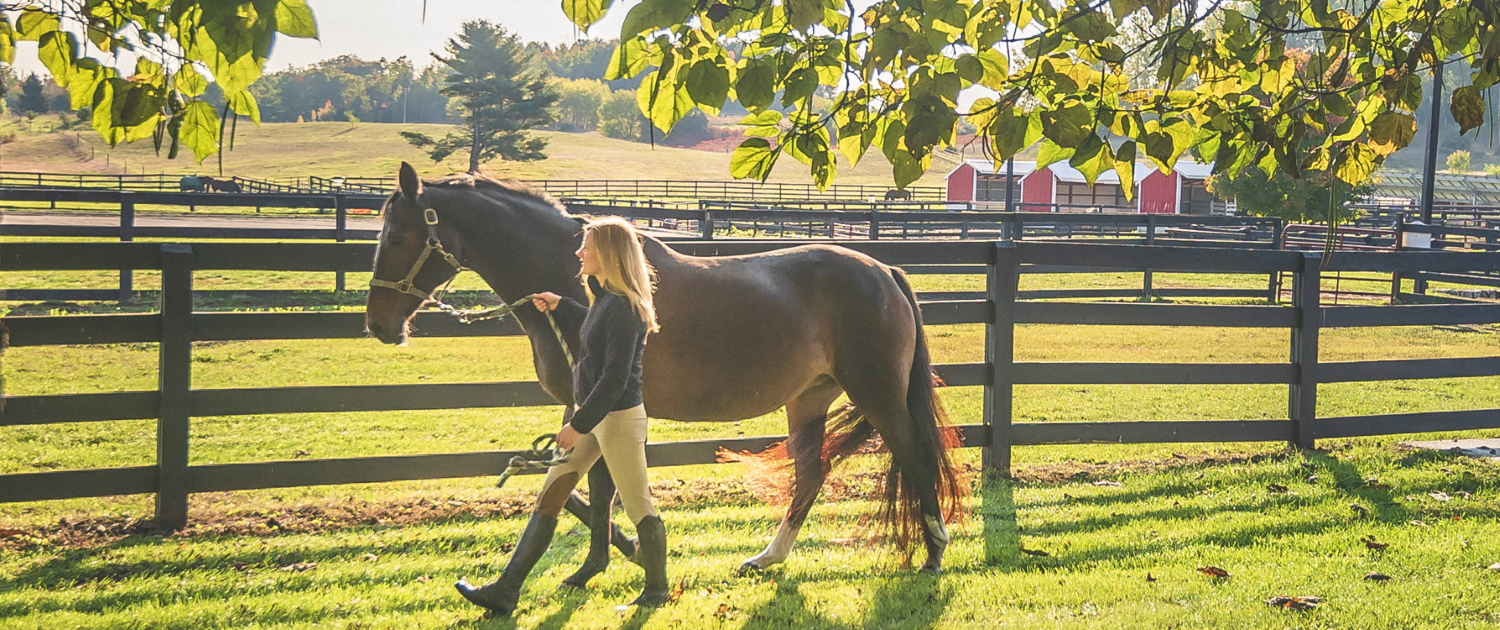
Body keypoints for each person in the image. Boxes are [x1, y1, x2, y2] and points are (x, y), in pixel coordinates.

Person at [456, 216, 666, 616]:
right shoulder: (604, 298)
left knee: (639, 505)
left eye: (586, 246)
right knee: (551, 494)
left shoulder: (624, 308)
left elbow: (614, 379)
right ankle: (506, 590)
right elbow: (593, 327)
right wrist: (561, 305)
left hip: (617, 419)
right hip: (593, 416)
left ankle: (656, 591)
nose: (579, 252)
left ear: (607, 253)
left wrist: (576, 425)